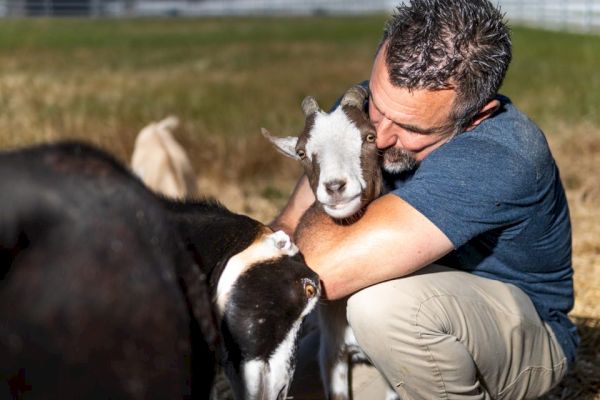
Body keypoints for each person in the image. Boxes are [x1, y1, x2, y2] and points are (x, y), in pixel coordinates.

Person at [273, 0, 579, 398]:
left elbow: (322, 270)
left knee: (384, 307)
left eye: (410, 127)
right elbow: (286, 226)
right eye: (378, 107)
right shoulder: (356, 116)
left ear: (475, 116)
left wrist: (331, 181)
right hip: (403, 329)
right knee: (283, 379)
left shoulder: (499, 154)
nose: (379, 137)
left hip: (516, 333)